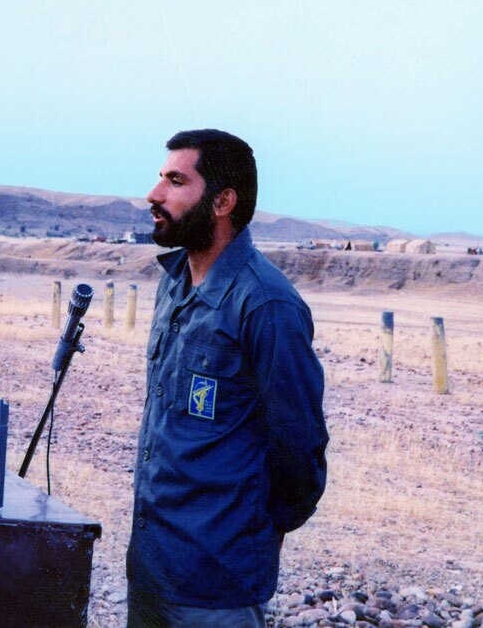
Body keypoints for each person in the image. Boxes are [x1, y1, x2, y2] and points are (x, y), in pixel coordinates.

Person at [127, 129, 329, 627]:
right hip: (151, 569)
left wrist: (259, 534)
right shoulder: (174, 283)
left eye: (176, 181)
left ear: (222, 202)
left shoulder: (266, 304)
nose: (154, 194)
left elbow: (299, 445)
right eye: (160, 178)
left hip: (217, 585)